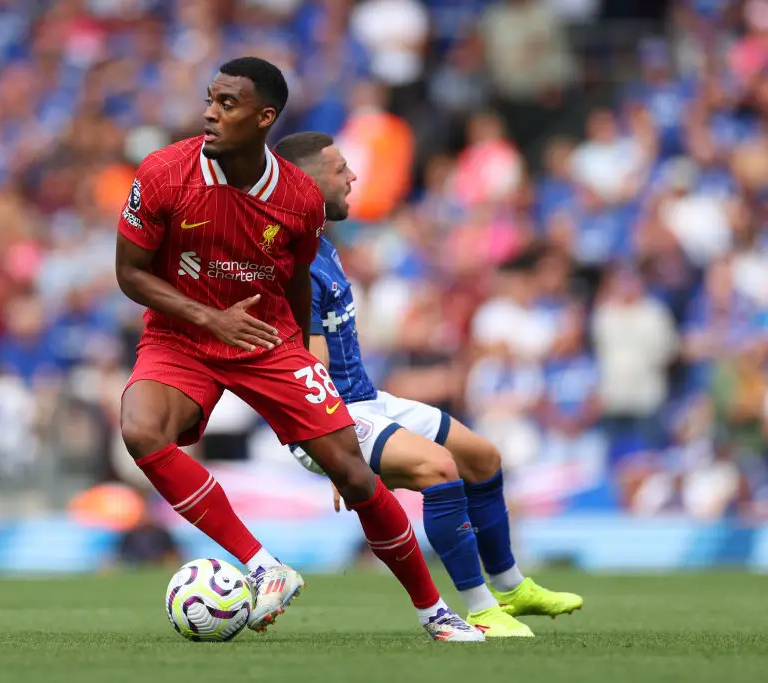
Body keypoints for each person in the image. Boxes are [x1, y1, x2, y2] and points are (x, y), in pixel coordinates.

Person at [116, 57, 482, 642]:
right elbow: (130, 273)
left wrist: (299, 352)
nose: (210, 112)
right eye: (211, 99)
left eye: (228, 104)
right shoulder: (163, 174)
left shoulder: (298, 201)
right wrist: (211, 319)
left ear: (264, 119)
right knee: (140, 430)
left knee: (355, 475)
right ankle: (265, 567)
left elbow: (293, 284)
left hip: (266, 342)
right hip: (181, 334)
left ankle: (435, 614)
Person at [274, 131, 585, 638]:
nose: (353, 177)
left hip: (363, 400)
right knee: (439, 470)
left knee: (481, 456)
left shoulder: (319, 243)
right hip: (327, 415)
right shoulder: (295, 260)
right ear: (304, 181)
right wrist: (331, 446)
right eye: (340, 170)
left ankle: (510, 586)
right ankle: (482, 610)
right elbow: (310, 360)